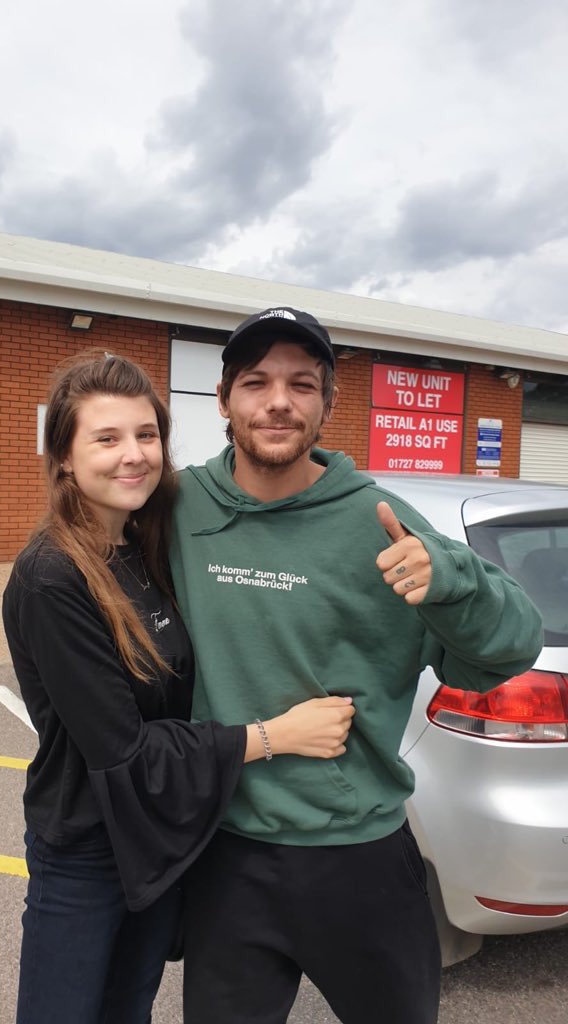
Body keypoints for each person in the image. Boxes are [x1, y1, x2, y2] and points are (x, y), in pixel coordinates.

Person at [168, 307, 544, 1024]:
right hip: (227, 854)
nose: (278, 400)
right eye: (256, 381)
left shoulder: (379, 518)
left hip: (359, 856)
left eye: (302, 384)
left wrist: (453, 581)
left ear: (328, 404)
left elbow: (508, 650)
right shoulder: (180, 509)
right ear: (223, 399)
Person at [1, 351, 356, 1024]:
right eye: (106, 439)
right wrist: (275, 737)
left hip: (159, 840)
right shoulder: (52, 578)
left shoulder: (146, 546)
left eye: (146, 435)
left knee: (129, 1010)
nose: (133, 455)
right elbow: (126, 754)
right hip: (86, 850)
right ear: (66, 458)